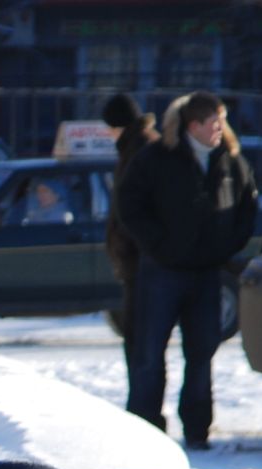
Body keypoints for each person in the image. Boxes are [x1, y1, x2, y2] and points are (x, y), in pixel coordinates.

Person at [116, 90, 257, 451]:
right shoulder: (157, 158)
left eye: (222, 122)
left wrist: (227, 246)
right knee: (150, 353)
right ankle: (145, 428)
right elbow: (130, 207)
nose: (220, 129)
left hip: (207, 273)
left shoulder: (230, 161)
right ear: (193, 125)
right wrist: (159, 246)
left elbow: (246, 207)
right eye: (214, 122)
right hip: (162, 272)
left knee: (202, 354)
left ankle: (197, 428)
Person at [101, 92, 159, 389]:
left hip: (144, 262)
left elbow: (137, 209)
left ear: (119, 125)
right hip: (136, 260)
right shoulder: (133, 147)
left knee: (141, 340)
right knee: (137, 338)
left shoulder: (141, 149)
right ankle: (141, 405)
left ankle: (143, 410)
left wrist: (134, 246)